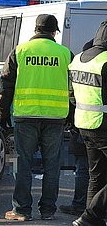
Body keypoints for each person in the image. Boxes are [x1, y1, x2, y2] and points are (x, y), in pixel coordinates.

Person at [0, 14, 72, 221]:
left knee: (20, 163)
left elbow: (5, 85)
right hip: (56, 118)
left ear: (35, 30)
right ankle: (48, 210)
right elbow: (74, 88)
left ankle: (21, 210)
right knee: (52, 165)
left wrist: (3, 114)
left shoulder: (20, 51)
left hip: (25, 116)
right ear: (54, 31)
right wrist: (72, 117)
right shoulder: (65, 54)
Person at [69, 21, 107, 226]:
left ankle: (93, 219)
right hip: (103, 124)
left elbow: (72, 96)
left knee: (97, 176)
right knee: (97, 175)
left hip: (84, 123)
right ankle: (91, 216)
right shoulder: (106, 61)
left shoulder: (79, 59)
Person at [59, 39, 93, 217]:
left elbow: (71, 95)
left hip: (81, 124)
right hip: (95, 124)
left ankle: (80, 205)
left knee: (83, 169)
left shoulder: (78, 64)